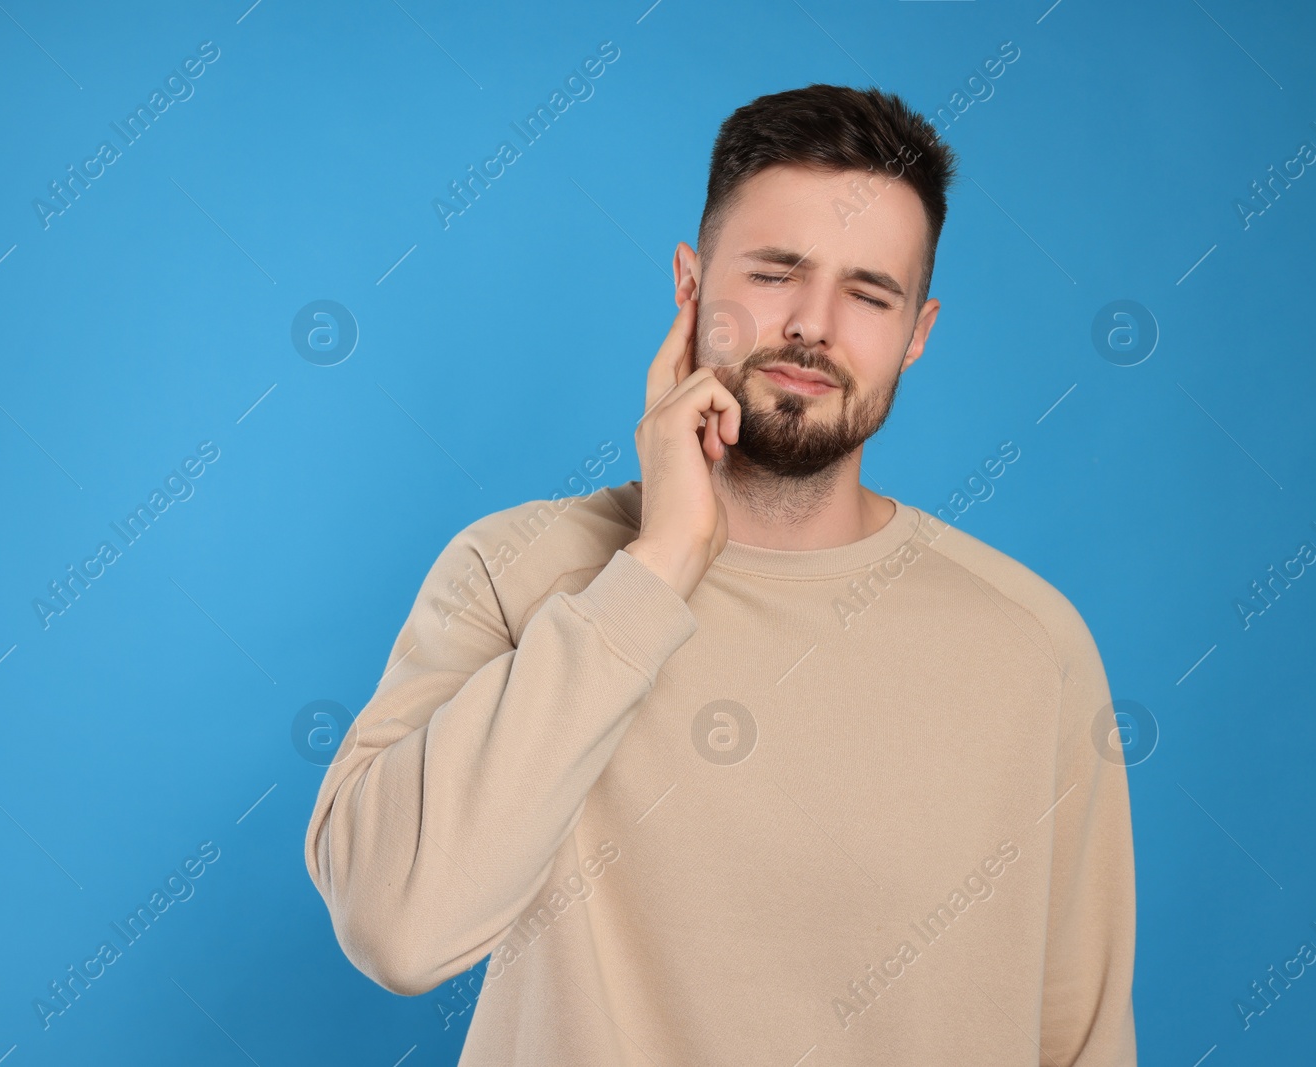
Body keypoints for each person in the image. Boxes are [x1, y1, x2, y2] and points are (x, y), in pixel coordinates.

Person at [303, 83, 1137, 1066]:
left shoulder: (1029, 643)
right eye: (777, 272)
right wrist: (655, 568)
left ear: (917, 330)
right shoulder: (512, 572)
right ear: (690, 285)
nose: (813, 326)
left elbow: (1080, 1041)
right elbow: (396, 926)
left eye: (869, 294)